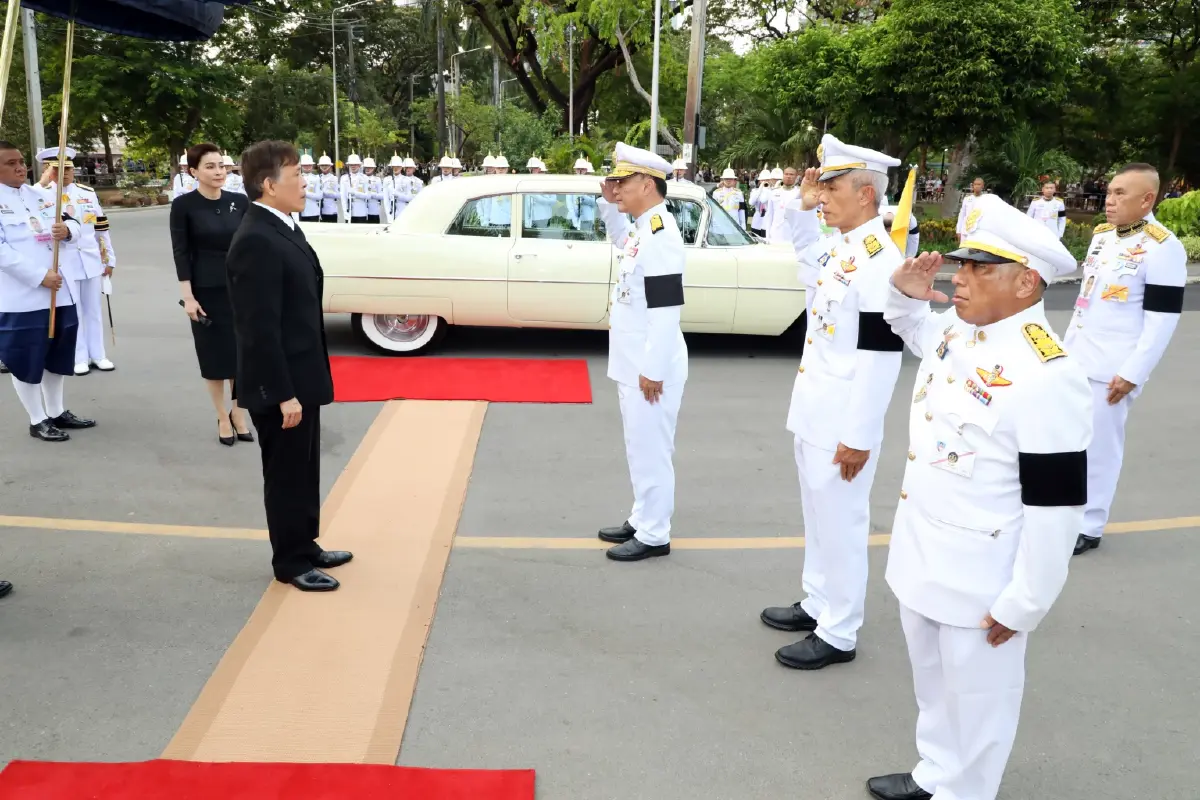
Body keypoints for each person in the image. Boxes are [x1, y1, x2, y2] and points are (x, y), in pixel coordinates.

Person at [867, 193, 1090, 800]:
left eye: (977, 269)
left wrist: (1026, 601)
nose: (957, 278)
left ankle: (966, 792)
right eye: (960, 266)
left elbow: (1056, 506)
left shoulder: (1048, 373)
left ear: (1026, 283)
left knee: (980, 703)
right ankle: (935, 774)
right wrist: (905, 291)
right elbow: (912, 325)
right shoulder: (962, 335)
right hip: (924, 551)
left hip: (983, 578)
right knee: (934, 688)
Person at [761, 134, 904, 670]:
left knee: (841, 522)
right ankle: (817, 601)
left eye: (832, 184)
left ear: (866, 193)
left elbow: (881, 355)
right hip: (816, 408)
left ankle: (839, 630)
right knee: (817, 515)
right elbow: (805, 266)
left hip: (844, 417)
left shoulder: (878, 260)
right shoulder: (846, 247)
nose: (822, 193)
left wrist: (860, 434)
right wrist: (802, 210)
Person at [226, 140, 348, 592]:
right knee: (285, 474)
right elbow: (257, 327)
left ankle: (306, 543)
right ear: (268, 184)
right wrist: (281, 392)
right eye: (296, 176)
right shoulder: (255, 238)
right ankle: (291, 561)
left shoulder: (282, 226)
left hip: (301, 372)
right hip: (280, 384)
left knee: (304, 466)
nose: (305, 183)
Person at [1065, 163, 1187, 556]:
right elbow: (1085, 304)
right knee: (1068, 440)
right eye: (1110, 192)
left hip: (1113, 369)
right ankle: (1064, 512)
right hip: (1077, 358)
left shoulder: (1163, 246)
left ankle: (1089, 523)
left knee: (1099, 448)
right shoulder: (1102, 237)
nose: (1109, 201)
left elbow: (1162, 321)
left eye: (1120, 194)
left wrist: (1133, 373)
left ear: (1147, 199)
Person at [594, 142, 688, 563]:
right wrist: (607, 199)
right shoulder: (642, 229)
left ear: (647, 184)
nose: (618, 189)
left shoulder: (661, 234)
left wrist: (653, 369)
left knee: (652, 449)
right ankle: (641, 516)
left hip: (652, 365)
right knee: (639, 446)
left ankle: (654, 533)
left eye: (623, 182)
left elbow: (667, 310)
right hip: (633, 361)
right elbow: (620, 242)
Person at [0, 140, 95, 442]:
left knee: (56, 354)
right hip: (23, 297)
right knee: (26, 357)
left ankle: (56, 411)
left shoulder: (40, 195)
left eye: (21, 161)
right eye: (10, 163)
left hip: (59, 291)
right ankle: (36, 418)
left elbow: (75, 223)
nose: (20, 167)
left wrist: (68, 232)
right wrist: (39, 276)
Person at [169, 142, 254, 446]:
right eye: (210, 166)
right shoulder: (183, 206)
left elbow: (249, 246)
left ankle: (239, 412)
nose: (219, 171)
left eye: (222, 165)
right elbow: (181, 253)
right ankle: (221, 415)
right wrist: (188, 297)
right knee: (214, 358)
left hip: (239, 289)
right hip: (205, 291)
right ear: (193, 171)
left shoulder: (239, 201)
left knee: (241, 356)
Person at [35, 146, 117, 375]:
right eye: (58, 169)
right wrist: (42, 183)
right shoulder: (41, 194)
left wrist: (109, 258)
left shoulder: (87, 193)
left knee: (93, 309)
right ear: (48, 170)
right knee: (73, 311)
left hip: (90, 259)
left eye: (68, 168)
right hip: (63, 262)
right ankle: (79, 356)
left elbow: (101, 229)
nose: (65, 173)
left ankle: (98, 354)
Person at [763, 166, 800, 244]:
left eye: (791, 174)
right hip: (776, 233)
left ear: (796, 177)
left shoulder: (799, 193)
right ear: (783, 175)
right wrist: (767, 236)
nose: (788, 176)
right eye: (786, 174)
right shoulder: (774, 192)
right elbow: (769, 215)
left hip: (793, 234)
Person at [956, 177, 987, 243]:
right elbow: (962, 215)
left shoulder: (985, 200)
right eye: (975, 184)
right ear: (973, 186)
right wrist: (958, 231)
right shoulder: (967, 199)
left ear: (983, 186)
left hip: (978, 233)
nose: (977, 186)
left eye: (979, 184)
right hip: (965, 232)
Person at [340, 153, 369, 224]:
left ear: (359, 165)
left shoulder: (365, 178)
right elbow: (343, 198)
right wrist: (345, 212)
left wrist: (356, 194)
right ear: (348, 166)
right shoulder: (344, 178)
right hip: (349, 211)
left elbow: (368, 195)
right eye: (351, 165)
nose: (353, 166)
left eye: (355, 164)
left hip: (361, 212)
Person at [317, 153, 340, 222]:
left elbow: (339, 195)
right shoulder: (317, 178)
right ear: (319, 166)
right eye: (322, 165)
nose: (324, 167)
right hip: (319, 210)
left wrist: (327, 194)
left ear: (330, 166)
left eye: (326, 165)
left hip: (331, 210)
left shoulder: (334, 179)